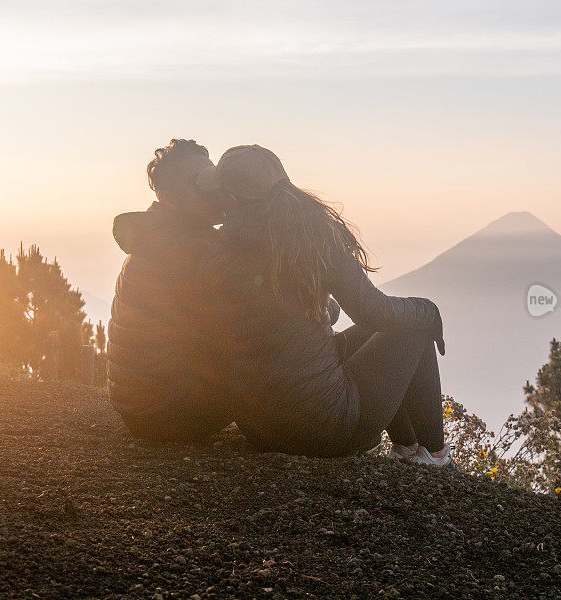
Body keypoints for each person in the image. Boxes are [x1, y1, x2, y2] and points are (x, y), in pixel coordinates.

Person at [191, 144, 454, 467]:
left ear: (232, 199)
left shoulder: (219, 250)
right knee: (414, 326)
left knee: (384, 329)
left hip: (259, 426)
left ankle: (408, 447)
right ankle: (436, 457)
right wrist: (430, 312)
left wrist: (317, 311)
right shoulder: (312, 238)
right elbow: (374, 311)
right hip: (324, 429)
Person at [107, 139, 235, 442]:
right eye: (199, 184)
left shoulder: (156, 236)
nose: (213, 190)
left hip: (141, 412)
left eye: (213, 178)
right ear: (168, 197)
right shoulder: (189, 246)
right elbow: (253, 311)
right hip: (178, 413)